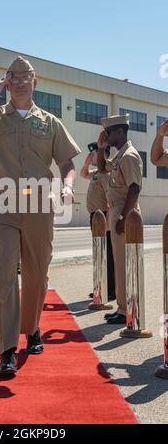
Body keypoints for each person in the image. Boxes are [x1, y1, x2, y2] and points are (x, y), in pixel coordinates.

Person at [0, 56, 81, 377]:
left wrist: (67, 187)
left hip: (40, 206)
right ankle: (7, 349)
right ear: (7, 82)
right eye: (13, 78)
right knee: (3, 274)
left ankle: (33, 326)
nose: (20, 82)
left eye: (26, 78)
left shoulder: (51, 122)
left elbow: (68, 164)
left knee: (37, 273)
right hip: (2, 206)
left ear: (35, 82)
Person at [97, 114, 142, 324]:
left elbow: (135, 188)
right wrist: (100, 148)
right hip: (117, 211)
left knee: (125, 263)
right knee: (119, 262)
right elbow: (101, 168)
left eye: (109, 133)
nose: (107, 136)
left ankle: (127, 310)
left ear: (120, 132)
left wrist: (124, 217)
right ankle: (123, 308)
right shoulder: (119, 156)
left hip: (125, 212)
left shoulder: (129, 155)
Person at [80, 142, 115, 301]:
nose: (91, 156)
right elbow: (83, 174)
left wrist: (108, 224)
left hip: (103, 218)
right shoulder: (96, 172)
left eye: (93, 154)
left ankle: (110, 290)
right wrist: (86, 163)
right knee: (99, 254)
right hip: (95, 218)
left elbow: (110, 200)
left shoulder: (105, 174)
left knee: (107, 256)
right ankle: (100, 287)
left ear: (103, 155)